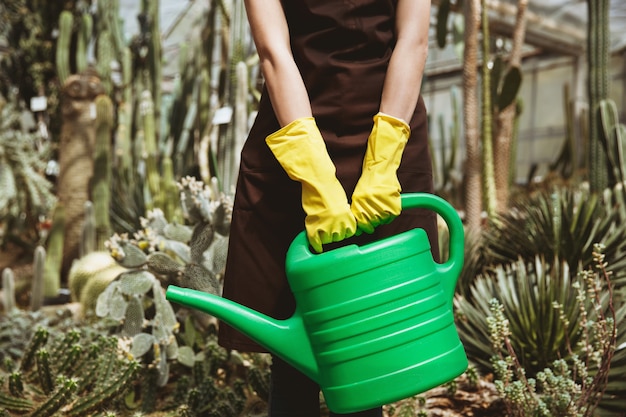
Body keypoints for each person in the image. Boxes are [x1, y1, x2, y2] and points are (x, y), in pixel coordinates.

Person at [218, 0, 436, 416]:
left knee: (368, 333)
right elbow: (273, 52)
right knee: (294, 338)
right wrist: (314, 174)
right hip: (294, 129)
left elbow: (414, 40)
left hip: (390, 120)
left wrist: (382, 161)